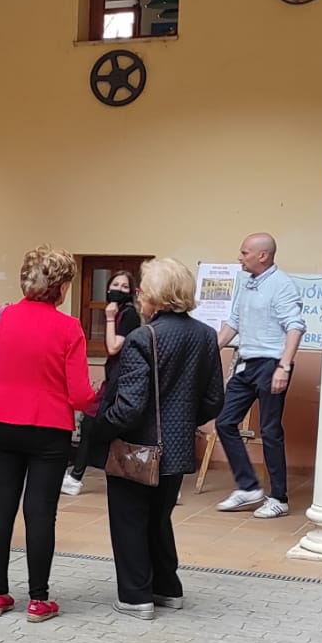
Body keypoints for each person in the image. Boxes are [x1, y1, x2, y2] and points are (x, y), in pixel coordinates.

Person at [0, 245, 95, 622]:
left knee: (0, 503)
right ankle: (38, 599)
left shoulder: (2, 318)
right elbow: (79, 394)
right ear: (61, 286)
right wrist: (98, 403)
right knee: (40, 512)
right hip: (49, 428)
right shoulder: (69, 328)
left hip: (1, 423)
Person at [95, 258, 222, 616]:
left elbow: (129, 407)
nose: (138, 296)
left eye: (143, 289)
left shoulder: (142, 337)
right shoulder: (205, 335)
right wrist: (181, 422)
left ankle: (136, 597)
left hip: (138, 450)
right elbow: (214, 400)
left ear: (155, 295)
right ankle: (168, 588)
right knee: (159, 518)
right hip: (179, 451)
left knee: (130, 520)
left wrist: (100, 428)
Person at [213, 232, 305, 519]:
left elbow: (295, 326)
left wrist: (284, 366)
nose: (240, 258)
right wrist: (207, 350)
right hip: (247, 362)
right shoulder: (246, 283)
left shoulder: (281, 285)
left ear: (262, 255)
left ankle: (278, 498)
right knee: (225, 421)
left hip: (272, 363)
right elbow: (233, 323)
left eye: (244, 253)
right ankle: (249, 487)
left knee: (269, 431)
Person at [63, 269, 138, 496]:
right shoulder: (118, 313)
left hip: (121, 380)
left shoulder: (129, 314)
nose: (119, 290)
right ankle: (75, 476)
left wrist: (107, 318)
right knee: (95, 425)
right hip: (113, 378)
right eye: (115, 285)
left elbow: (114, 346)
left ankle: (75, 476)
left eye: (125, 287)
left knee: (95, 422)